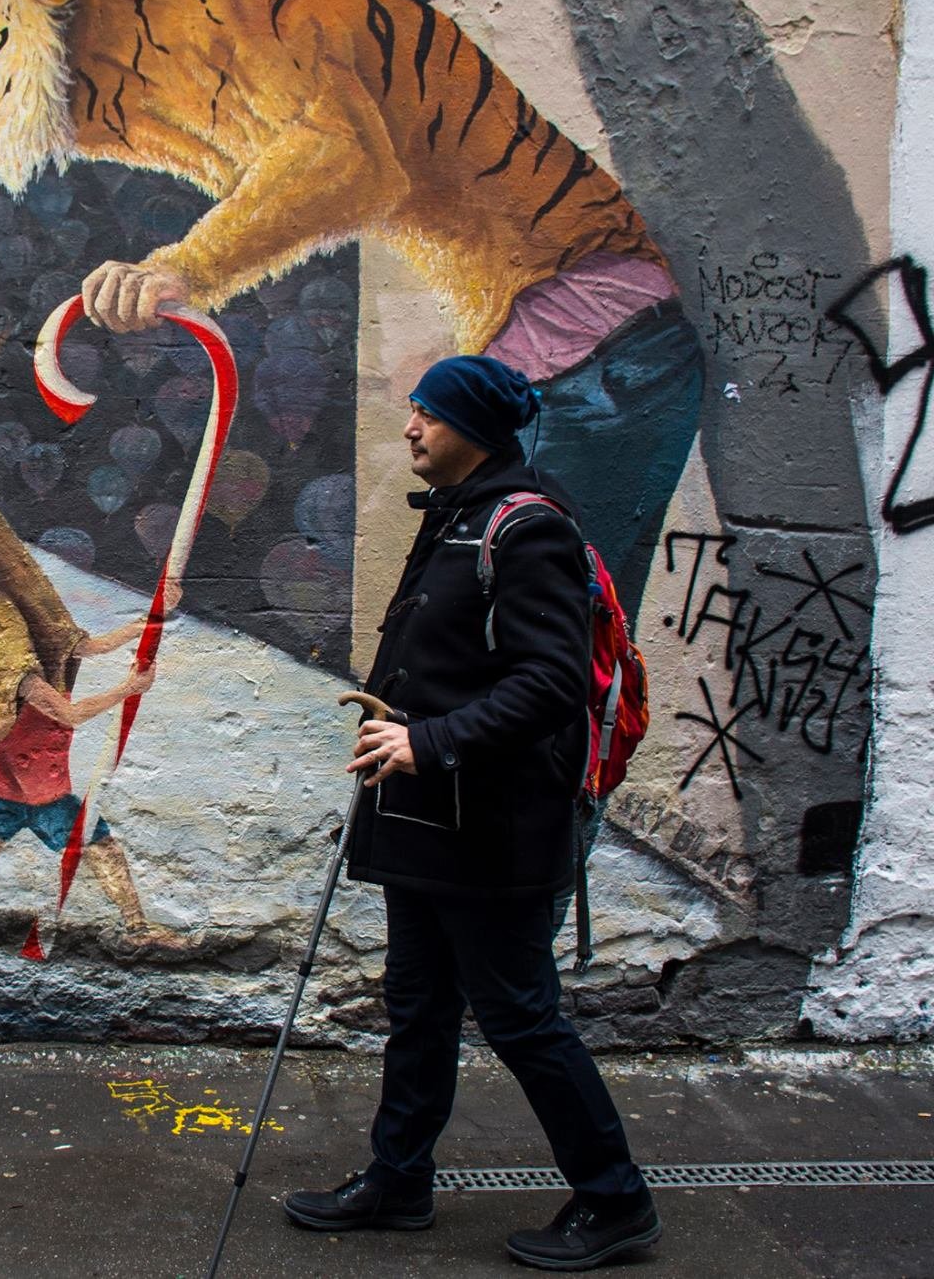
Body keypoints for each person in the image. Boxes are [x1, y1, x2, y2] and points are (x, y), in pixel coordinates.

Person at [281, 356, 660, 1270]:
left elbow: (549, 684)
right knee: (417, 1004)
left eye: (428, 414)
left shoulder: (526, 530)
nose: (410, 427)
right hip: (428, 822)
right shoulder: (459, 514)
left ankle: (615, 1199)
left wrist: (430, 742)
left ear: (475, 429)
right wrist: (406, 730)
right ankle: (399, 1177)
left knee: (521, 1013)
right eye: (413, 411)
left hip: (494, 826)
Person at [0, 583, 184, 953]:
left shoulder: (50, 648)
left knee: (102, 848)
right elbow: (70, 714)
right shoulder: (15, 673)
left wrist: (152, 619)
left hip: (48, 789)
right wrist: (129, 688)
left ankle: (138, 928)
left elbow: (94, 646)